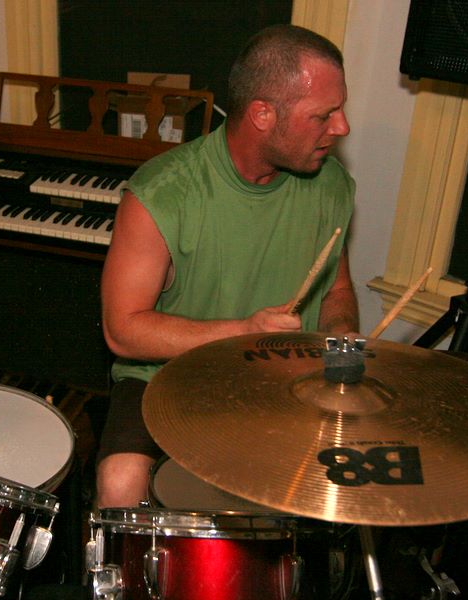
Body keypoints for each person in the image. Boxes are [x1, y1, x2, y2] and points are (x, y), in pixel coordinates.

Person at [96, 24, 360, 508]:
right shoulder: (163, 192)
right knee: (120, 482)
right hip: (167, 379)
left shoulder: (331, 186)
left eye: (339, 110)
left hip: (282, 385)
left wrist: (340, 344)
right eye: (323, 115)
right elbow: (123, 331)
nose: (341, 127)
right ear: (262, 114)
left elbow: (337, 290)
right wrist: (245, 333)